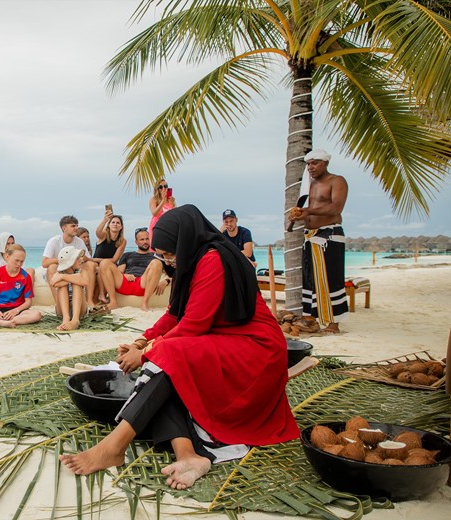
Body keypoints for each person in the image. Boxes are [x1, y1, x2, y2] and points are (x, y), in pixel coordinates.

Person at [60, 205, 299, 490]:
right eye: (161, 255)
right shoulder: (192, 261)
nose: (166, 260)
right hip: (222, 341)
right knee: (167, 370)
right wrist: (140, 341)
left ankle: (114, 446)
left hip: (254, 349)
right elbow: (176, 315)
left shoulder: (212, 260)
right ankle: (187, 454)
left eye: (168, 254)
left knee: (168, 354)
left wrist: (147, 352)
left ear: (184, 242)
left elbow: (193, 325)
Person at [289, 149, 349, 334]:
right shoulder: (310, 185)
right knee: (311, 280)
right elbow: (308, 208)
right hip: (310, 236)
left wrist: (309, 212)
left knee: (330, 279)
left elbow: (336, 208)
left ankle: (333, 323)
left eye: (314, 163)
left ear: (326, 163)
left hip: (328, 236)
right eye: (308, 164)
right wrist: (297, 217)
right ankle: (313, 318)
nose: (310, 167)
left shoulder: (336, 181)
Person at [98, 227, 170, 311]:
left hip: (143, 283)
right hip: (125, 282)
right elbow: (119, 271)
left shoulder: (158, 255)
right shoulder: (127, 255)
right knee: (104, 263)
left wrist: (166, 281)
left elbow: (173, 273)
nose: (145, 242)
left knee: (156, 262)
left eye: (147, 239)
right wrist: (125, 275)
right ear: (136, 242)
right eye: (142, 239)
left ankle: (144, 304)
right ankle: (113, 302)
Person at [41, 215, 96, 311]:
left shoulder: (79, 241)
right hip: (59, 270)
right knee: (51, 267)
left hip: (73, 269)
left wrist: (80, 258)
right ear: (64, 228)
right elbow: (44, 263)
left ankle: (89, 301)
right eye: (73, 226)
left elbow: (88, 259)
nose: (76, 228)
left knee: (91, 265)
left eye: (77, 226)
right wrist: (64, 260)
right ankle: (57, 303)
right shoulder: (54, 241)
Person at [0, 233, 35, 302]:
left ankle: (26, 299)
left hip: (16, 281)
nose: (10, 246)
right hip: (1, 283)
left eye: (12, 243)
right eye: (8, 243)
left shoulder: (17, 257)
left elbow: (21, 272)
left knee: (31, 270)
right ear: (2, 244)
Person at [50, 246, 89, 331]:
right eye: (77, 258)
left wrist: (63, 277)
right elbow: (53, 283)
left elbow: (85, 281)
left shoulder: (82, 270)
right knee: (63, 286)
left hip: (80, 309)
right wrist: (73, 278)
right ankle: (66, 318)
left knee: (77, 284)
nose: (80, 259)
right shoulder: (59, 273)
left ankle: (75, 320)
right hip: (63, 309)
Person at [148, 178, 176, 247]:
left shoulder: (170, 200)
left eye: (165, 186)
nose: (164, 188)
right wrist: (163, 201)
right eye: (161, 187)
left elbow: (176, 214)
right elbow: (154, 213)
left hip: (169, 227)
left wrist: (173, 204)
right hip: (157, 227)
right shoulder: (154, 199)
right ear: (157, 189)